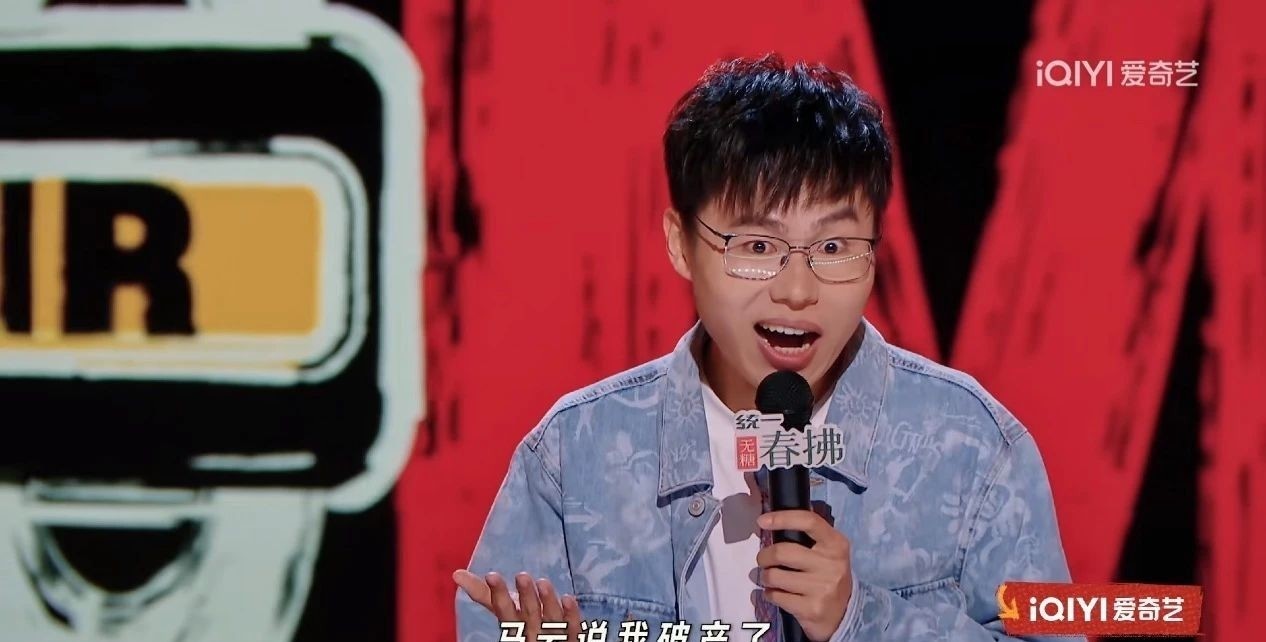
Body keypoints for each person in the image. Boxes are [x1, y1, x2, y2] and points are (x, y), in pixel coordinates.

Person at [453, 54, 1079, 642]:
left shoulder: (971, 446)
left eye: (833, 248)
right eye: (757, 247)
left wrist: (860, 618)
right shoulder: (576, 452)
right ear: (680, 243)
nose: (798, 291)